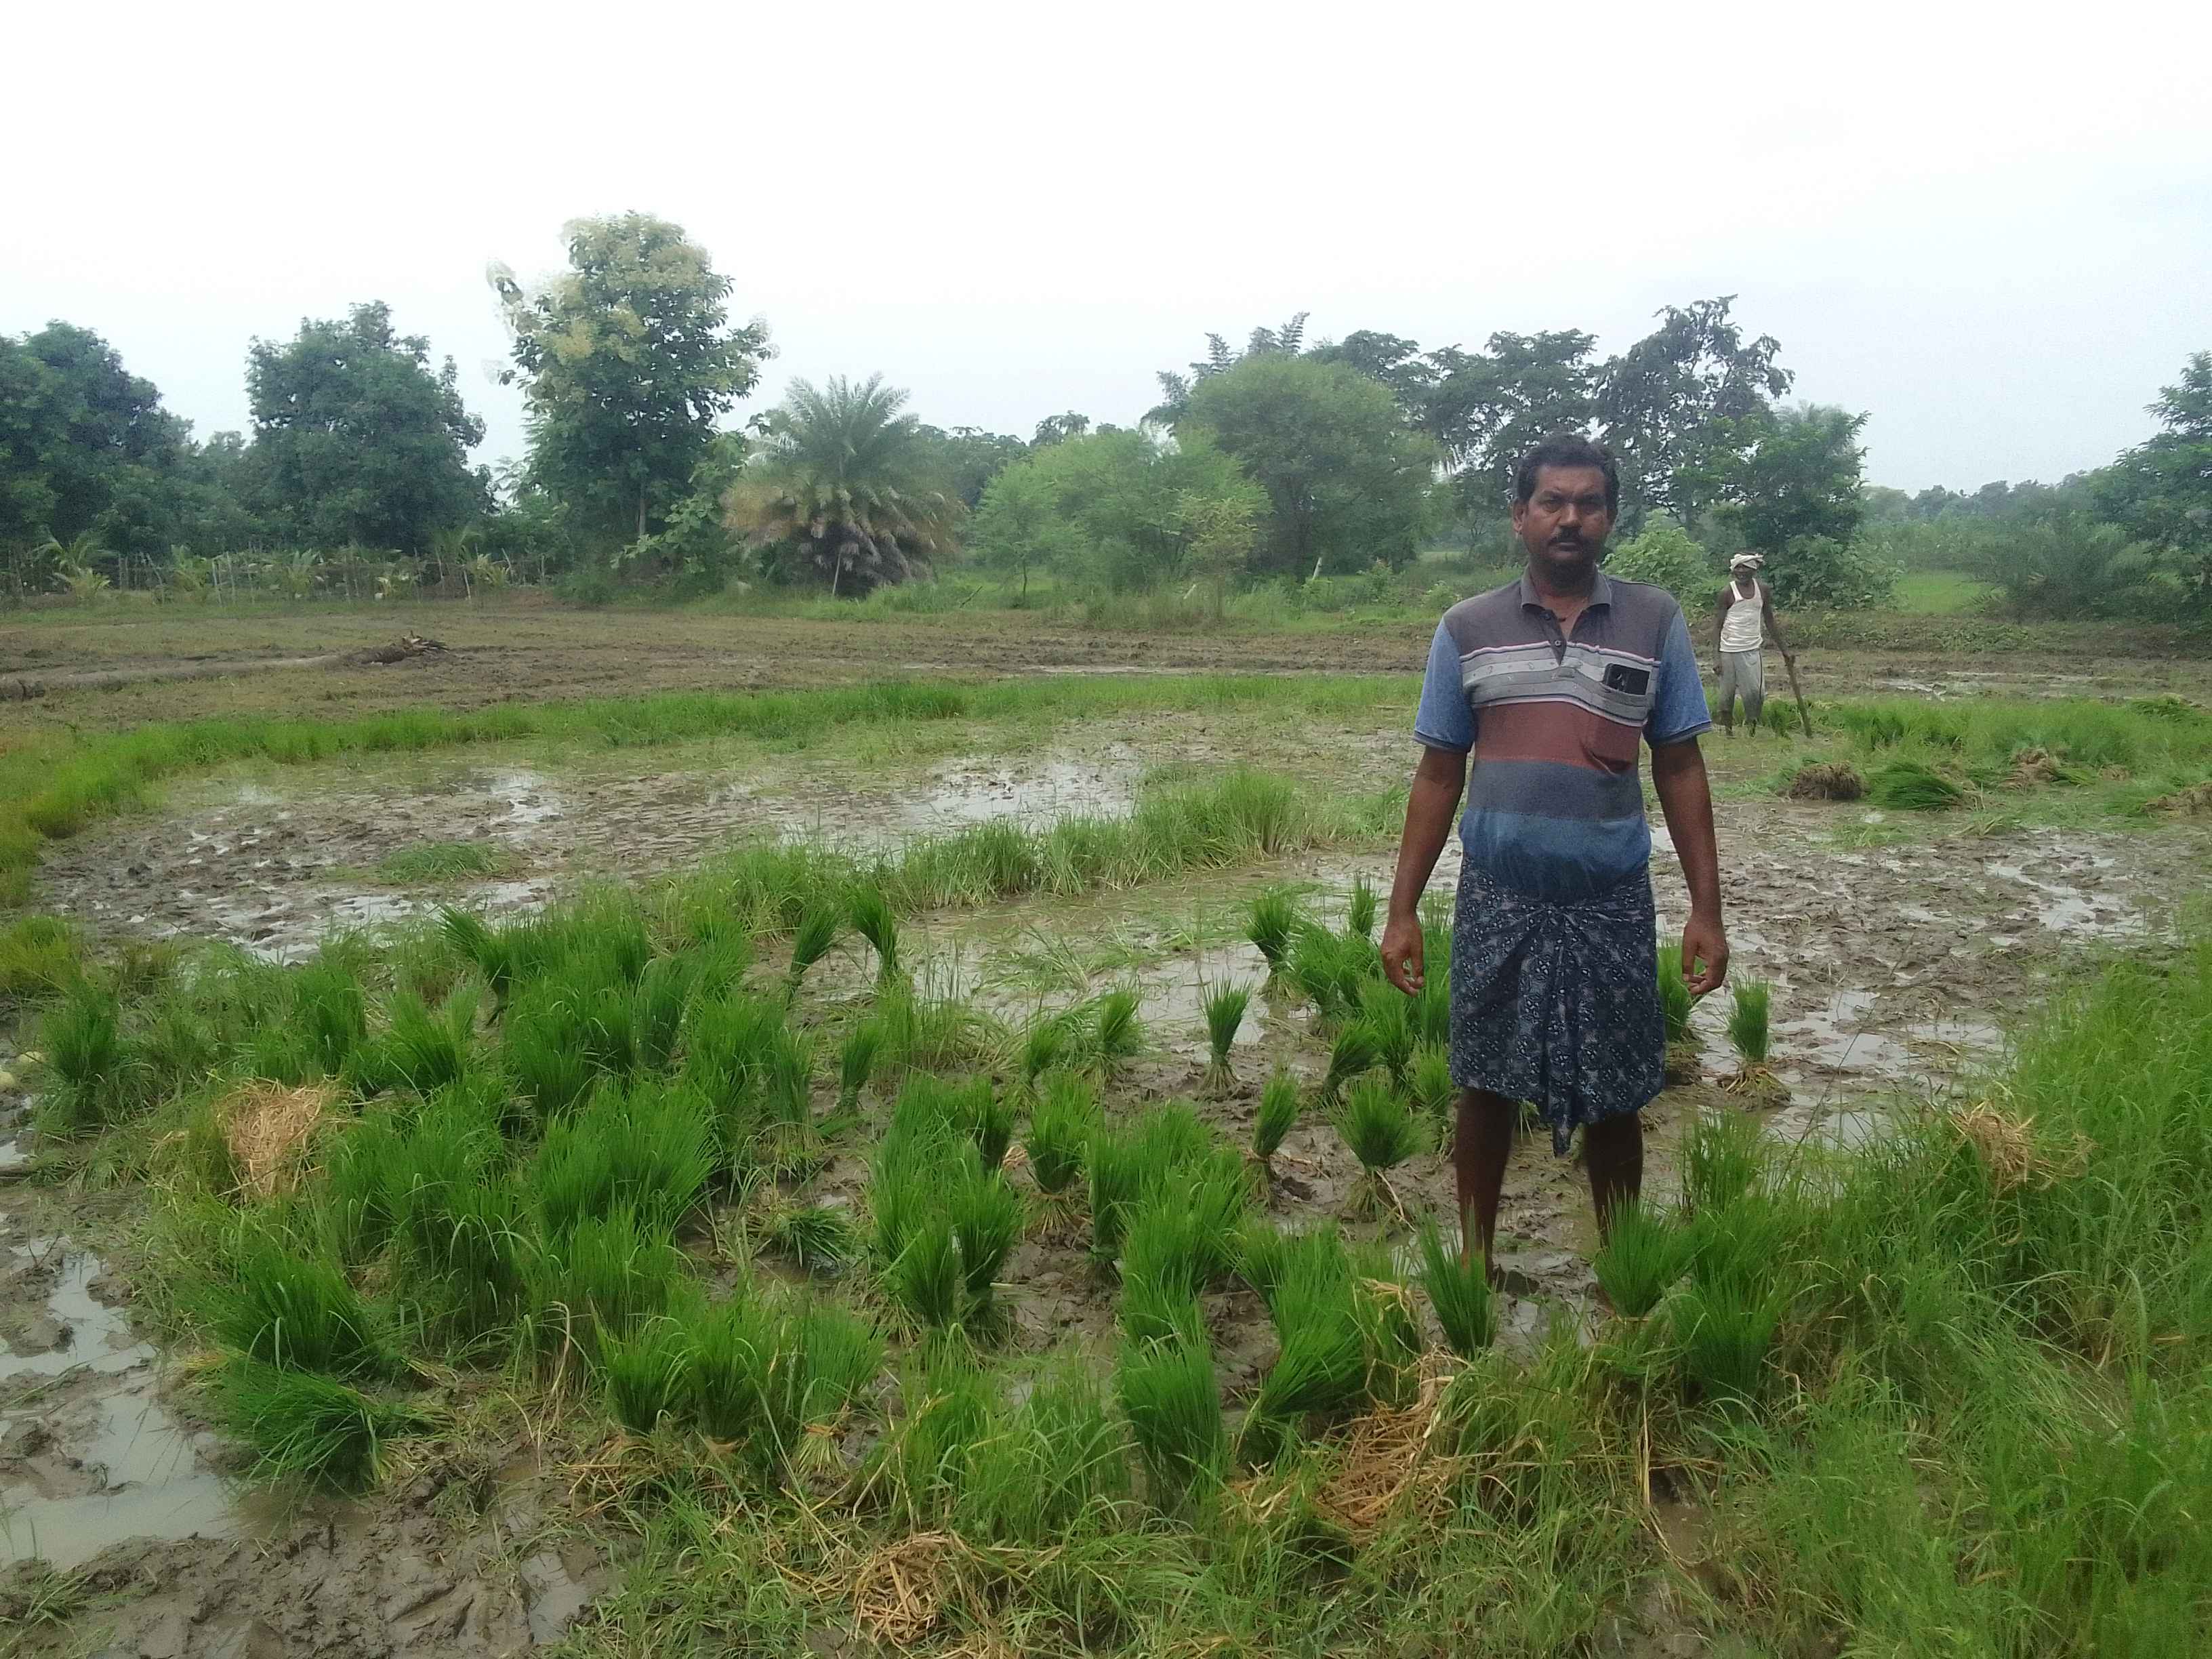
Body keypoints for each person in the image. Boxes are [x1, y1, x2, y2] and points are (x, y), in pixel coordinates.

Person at [1379, 432, 1729, 1279]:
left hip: (1611, 896)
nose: (1570, 519)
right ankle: (1475, 1263)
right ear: (1520, 516)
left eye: (1589, 504)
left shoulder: (1654, 620)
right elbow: (1438, 773)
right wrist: (1401, 911)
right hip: (1499, 894)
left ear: (1610, 517)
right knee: (1486, 1084)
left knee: (1617, 1091)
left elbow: (1680, 766)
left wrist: (1707, 911)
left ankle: (1622, 1270)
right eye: (1552, 503)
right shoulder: (1467, 628)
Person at [1711, 552, 1793, 736]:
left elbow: (1770, 620)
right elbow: (1717, 626)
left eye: (1745, 568)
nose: (1741, 572)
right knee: (1726, 696)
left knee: (1756, 693)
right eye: (1738, 568)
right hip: (1728, 649)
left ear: (1754, 570)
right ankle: (1728, 732)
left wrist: (1785, 651)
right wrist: (1716, 658)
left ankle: (1752, 729)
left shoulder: (1762, 590)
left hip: (1752, 649)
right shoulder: (1727, 592)